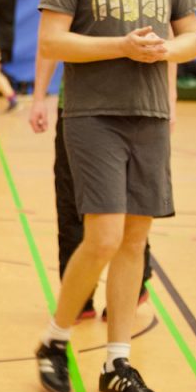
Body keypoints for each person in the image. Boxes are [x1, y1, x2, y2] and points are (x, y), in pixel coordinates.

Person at [29, 0, 196, 392]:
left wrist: (164, 49)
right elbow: (53, 42)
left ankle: (117, 361)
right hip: (93, 115)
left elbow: (192, 38)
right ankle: (55, 339)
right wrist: (122, 47)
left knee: (133, 241)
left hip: (149, 116)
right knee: (103, 237)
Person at [30, 56, 161, 321]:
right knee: (72, 204)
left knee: (131, 208)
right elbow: (49, 44)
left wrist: (168, 99)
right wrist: (39, 97)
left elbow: (171, 41)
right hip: (79, 110)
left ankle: (132, 289)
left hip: (133, 109)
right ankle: (78, 297)